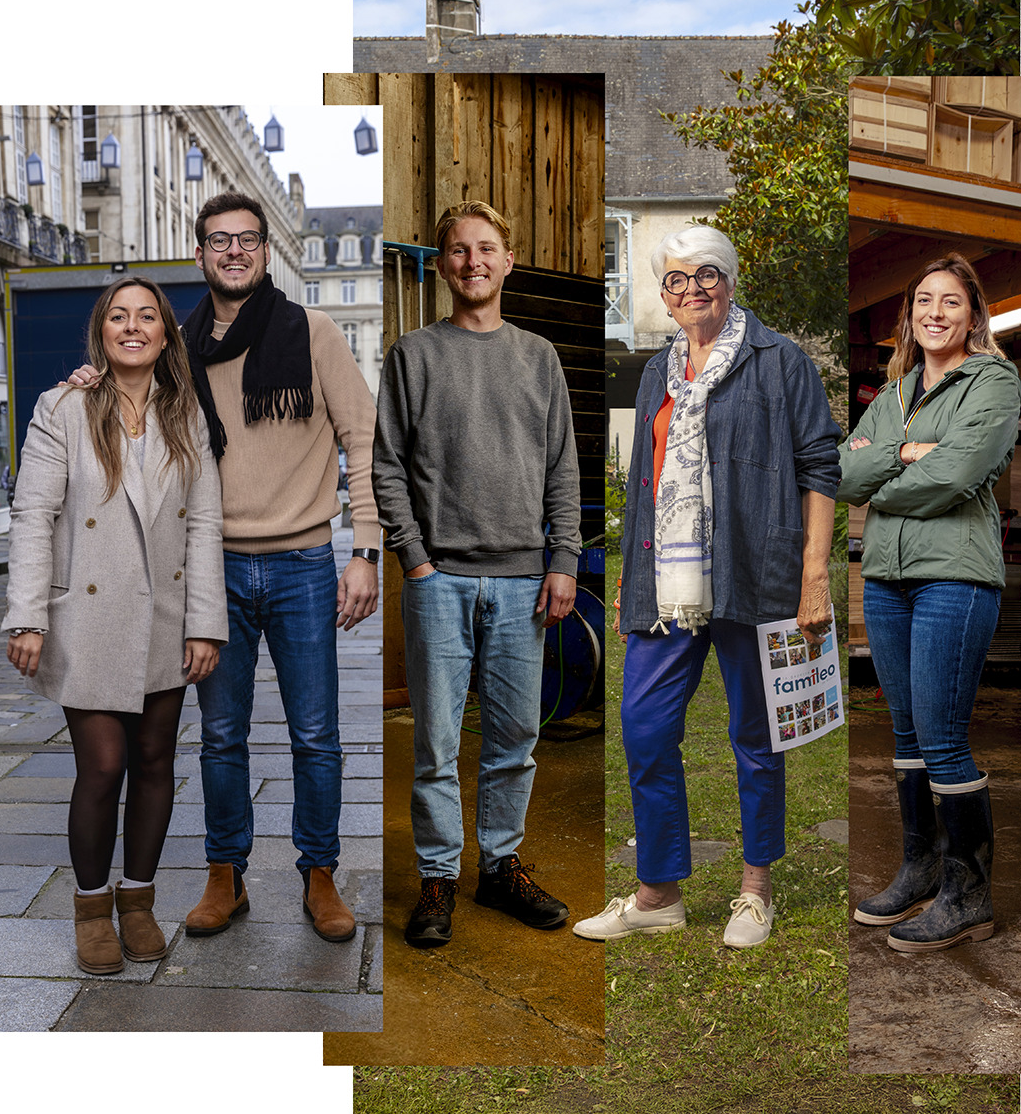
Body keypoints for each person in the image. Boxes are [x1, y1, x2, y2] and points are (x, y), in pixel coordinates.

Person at [66, 192, 380, 943]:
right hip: (210, 569)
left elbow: (364, 438)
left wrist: (365, 549)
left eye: (246, 239)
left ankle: (320, 873)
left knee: (317, 734)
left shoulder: (314, 332)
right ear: (201, 253)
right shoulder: (176, 348)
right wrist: (88, 386)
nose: (233, 250)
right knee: (221, 736)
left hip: (304, 561)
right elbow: (129, 400)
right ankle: (224, 874)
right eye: (218, 240)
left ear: (265, 251)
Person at [573, 225, 840, 948]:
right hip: (667, 580)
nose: (691, 289)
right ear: (664, 295)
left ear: (729, 281)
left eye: (706, 275)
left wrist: (815, 574)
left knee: (756, 733)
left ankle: (755, 890)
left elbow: (820, 466)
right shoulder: (656, 371)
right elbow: (646, 478)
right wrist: (631, 574)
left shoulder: (779, 361)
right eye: (676, 280)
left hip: (755, 572)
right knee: (644, 726)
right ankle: (658, 892)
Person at [3, 277, 227, 974]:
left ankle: (138, 900)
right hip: (87, 616)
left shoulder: (186, 412)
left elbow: (205, 523)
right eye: (119, 316)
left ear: (165, 334)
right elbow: (33, 515)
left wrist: (205, 623)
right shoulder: (62, 406)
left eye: (147, 316)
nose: (133, 326)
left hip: (165, 614)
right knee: (102, 765)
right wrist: (27, 615)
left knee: (156, 762)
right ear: (101, 331)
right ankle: (92, 907)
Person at [374, 200, 580, 946]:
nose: (473, 261)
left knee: (514, 739)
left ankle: (499, 868)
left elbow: (562, 467)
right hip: (440, 582)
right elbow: (386, 466)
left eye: (486, 248)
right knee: (435, 743)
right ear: (441, 265)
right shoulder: (412, 355)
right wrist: (416, 560)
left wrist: (564, 560)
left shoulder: (540, 357)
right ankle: (437, 877)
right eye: (458, 250)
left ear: (507, 260)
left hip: (524, 581)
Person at [837, 254, 1021, 954]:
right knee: (907, 733)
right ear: (908, 315)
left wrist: (887, 474)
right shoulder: (894, 392)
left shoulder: (993, 381)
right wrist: (907, 451)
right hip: (886, 576)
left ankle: (969, 894)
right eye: (923, 301)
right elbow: (842, 471)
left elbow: (958, 473)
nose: (934, 313)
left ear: (973, 314)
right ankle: (921, 869)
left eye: (950, 301)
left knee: (942, 735)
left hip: (955, 576)